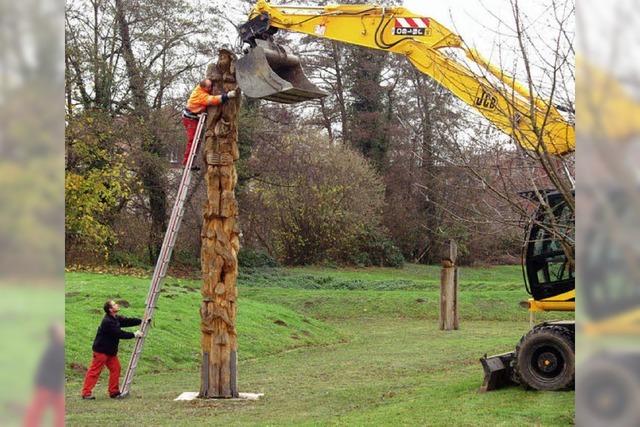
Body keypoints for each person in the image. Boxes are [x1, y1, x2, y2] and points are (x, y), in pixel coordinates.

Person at [81, 300, 142, 399]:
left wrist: (141, 321)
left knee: (116, 369)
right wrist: (134, 334)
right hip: (101, 351)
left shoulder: (115, 318)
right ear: (110, 309)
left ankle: (114, 392)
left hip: (110, 351)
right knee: (94, 371)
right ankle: (86, 393)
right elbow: (119, 333)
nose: (117, 305)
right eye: (114, 304)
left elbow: (126, 321)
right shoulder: (107, 322)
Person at [182, 78, 237, 168]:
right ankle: (187, 163)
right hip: (190, 119)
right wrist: (227, 96)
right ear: (204, 87)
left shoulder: (200, 88)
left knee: (197, 141)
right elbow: (213, 100)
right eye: (209, 87)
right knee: (192, 140)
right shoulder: (200, 96)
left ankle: (191, 162)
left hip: (194, 116)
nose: (211, 88)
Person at [23, 323, 64, 427]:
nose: (63, 331)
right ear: (55, 334)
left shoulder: (58, 347)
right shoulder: (54, 349)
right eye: (60, 330)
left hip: (54, 385)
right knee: (37, 409)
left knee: (60, 410)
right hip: (46, 385)